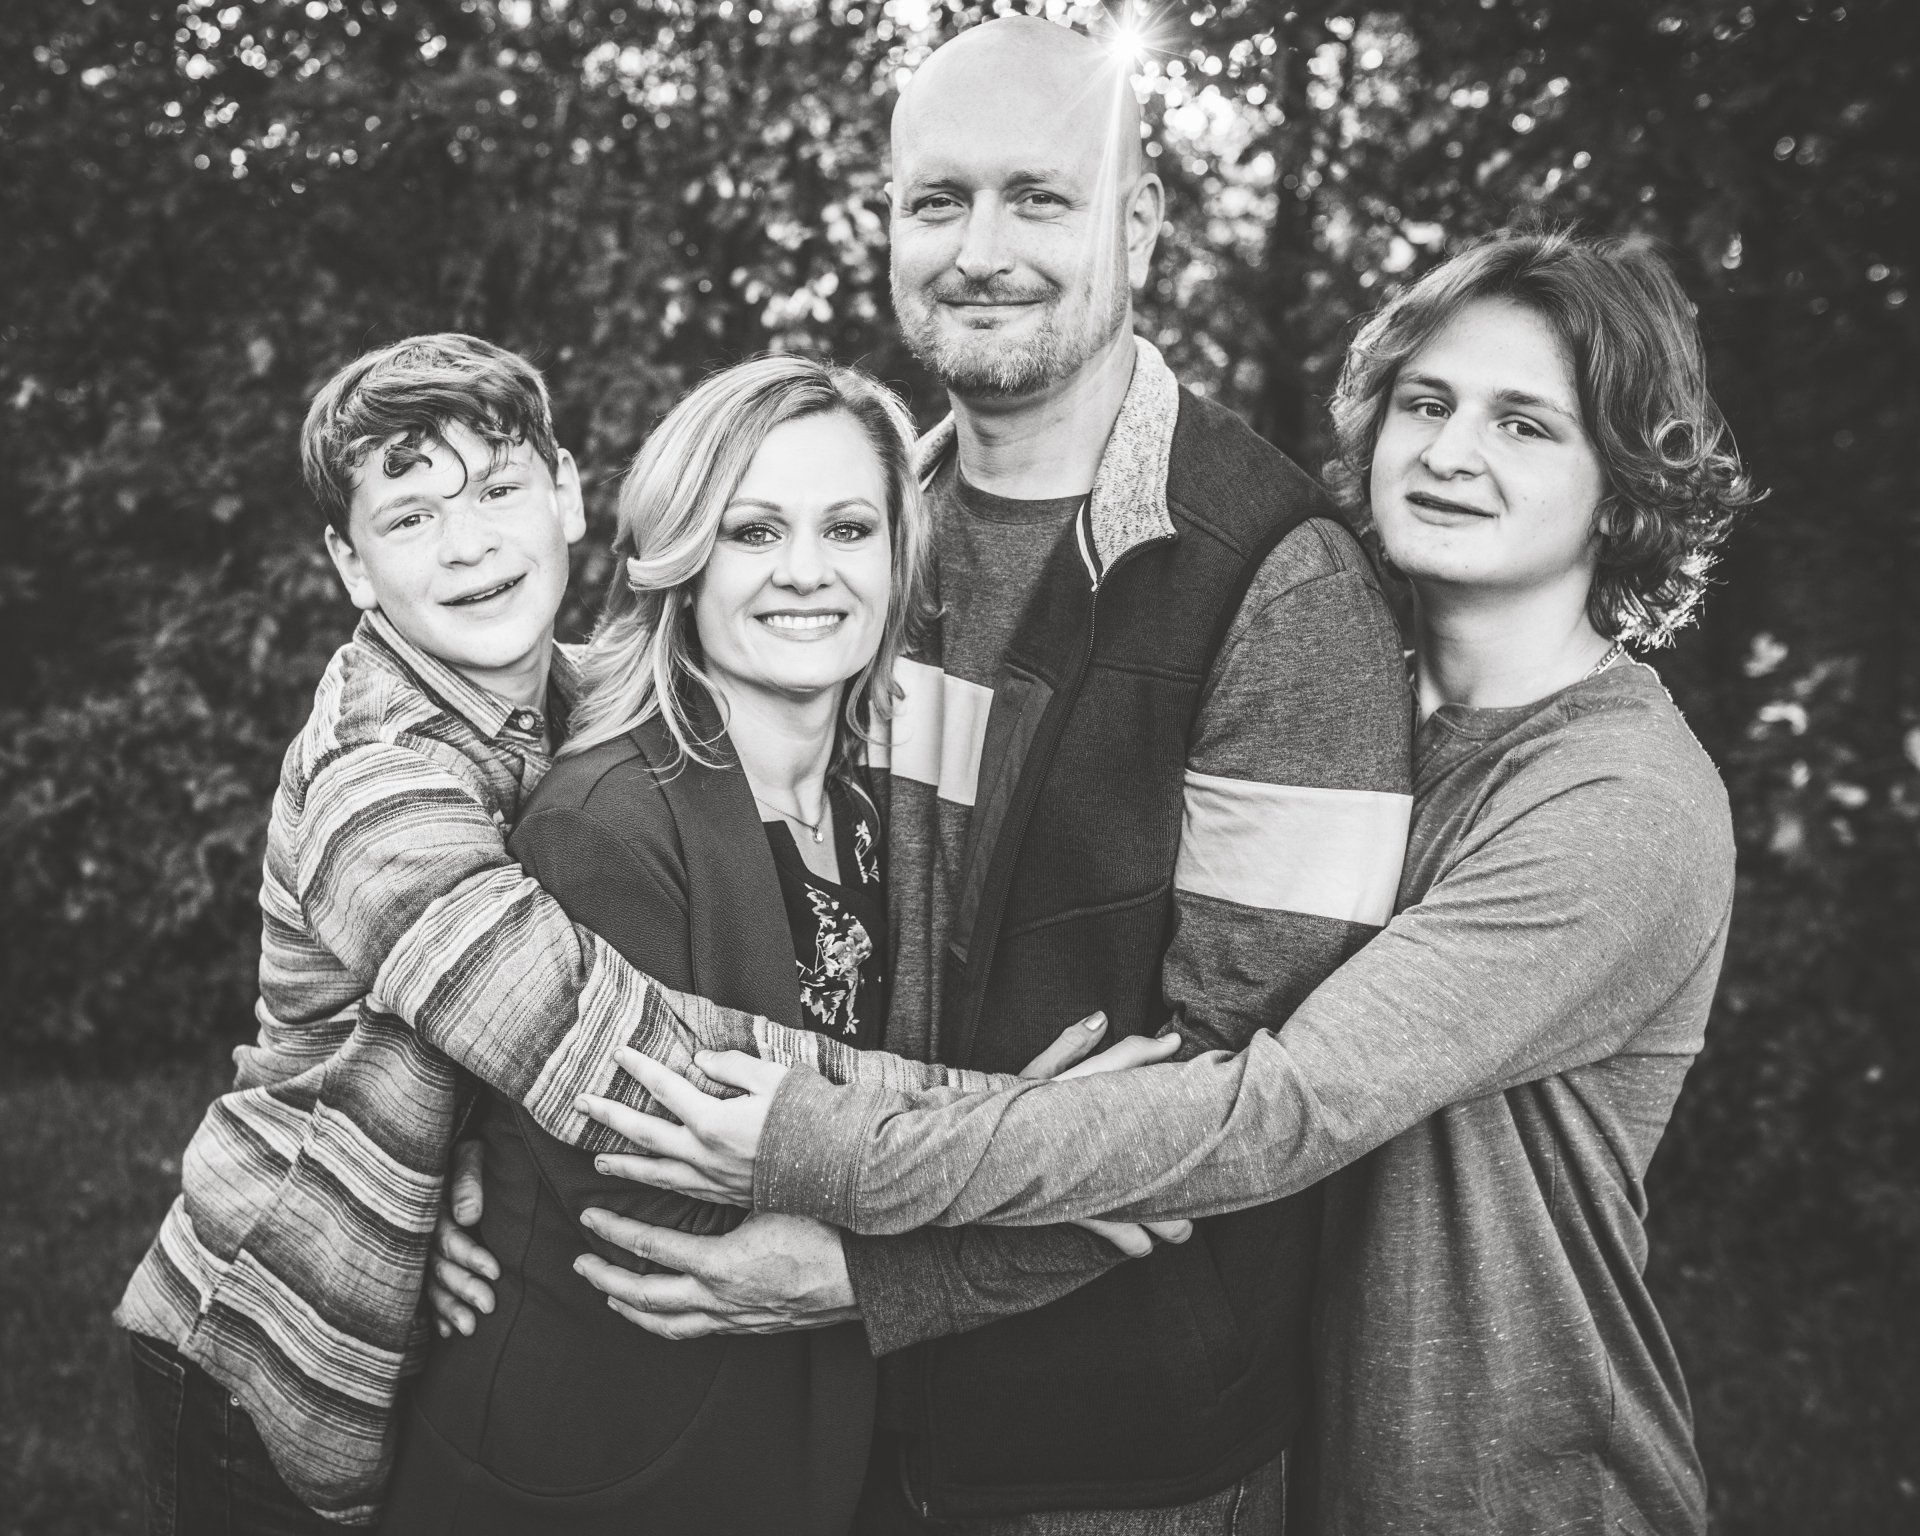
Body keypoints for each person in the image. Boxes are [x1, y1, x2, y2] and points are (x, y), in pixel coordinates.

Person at [571, 230, 1754, 1536]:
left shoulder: (1616, 804)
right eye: (1427, 402)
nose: (1451, 451)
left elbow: (1268, 1112)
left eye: (1524, 424)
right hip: (1293, 1444)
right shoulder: (1333, 695)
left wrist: (828, 1156)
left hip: (1515, 1484)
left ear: (1623, 488)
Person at [431, 15, 1409, 1533]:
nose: (981, 248)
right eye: (939, 200)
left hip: (1113, 1446)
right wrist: (441, 1148)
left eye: (1040, 196)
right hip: (842, 1431)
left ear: (1139, 220)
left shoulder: (1278, 583)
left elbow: (1245, 1105)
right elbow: (543, 810)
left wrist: (876, 1274)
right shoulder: (874, 526)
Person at [114, 335, 1054, 1533]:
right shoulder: (377, 788)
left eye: (498, 490)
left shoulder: (571, 696)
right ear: (350, 566)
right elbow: (615, 1056)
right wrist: (1035, 1130)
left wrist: (462, 1154)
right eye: (410, 518)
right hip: (272, 1323)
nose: (468, 545)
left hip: (440, 1290)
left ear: (565, 495)